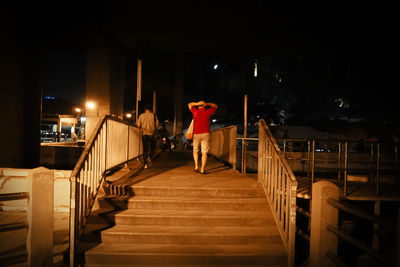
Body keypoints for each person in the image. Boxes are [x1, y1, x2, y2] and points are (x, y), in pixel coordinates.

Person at [188, 100, 218, 174]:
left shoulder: (195, 112)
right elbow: (215, 106)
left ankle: (196, 166)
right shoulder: (208, 112)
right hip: (206, 134)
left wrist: (198, 103)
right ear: (204, 106)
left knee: (195, 150)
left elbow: (189, 104)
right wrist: (206, 103)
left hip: (196, 134)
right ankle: (202, 169)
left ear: (198, 106)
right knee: (204, 152)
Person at [137, 104, 159, 168]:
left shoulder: (141, 116)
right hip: (152, 134)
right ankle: (150, 157)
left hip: (144, 134)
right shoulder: (154, 115)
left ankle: (145, 164)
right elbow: (157, 125)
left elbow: (138, 125)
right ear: (151, 109)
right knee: (152, 147)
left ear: (145, 110)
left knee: (145, 149)